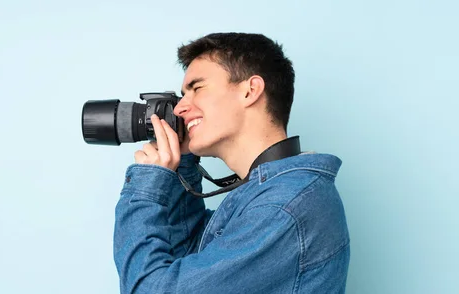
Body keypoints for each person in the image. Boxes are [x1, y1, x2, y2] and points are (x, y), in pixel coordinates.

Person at [113, 32, 350, 293]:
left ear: (251, 91)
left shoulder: (283, 207)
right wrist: (183, 165)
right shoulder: (271, 195)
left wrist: (146, 187)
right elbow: (185, 260)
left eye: (197, 89)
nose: (180, 109)